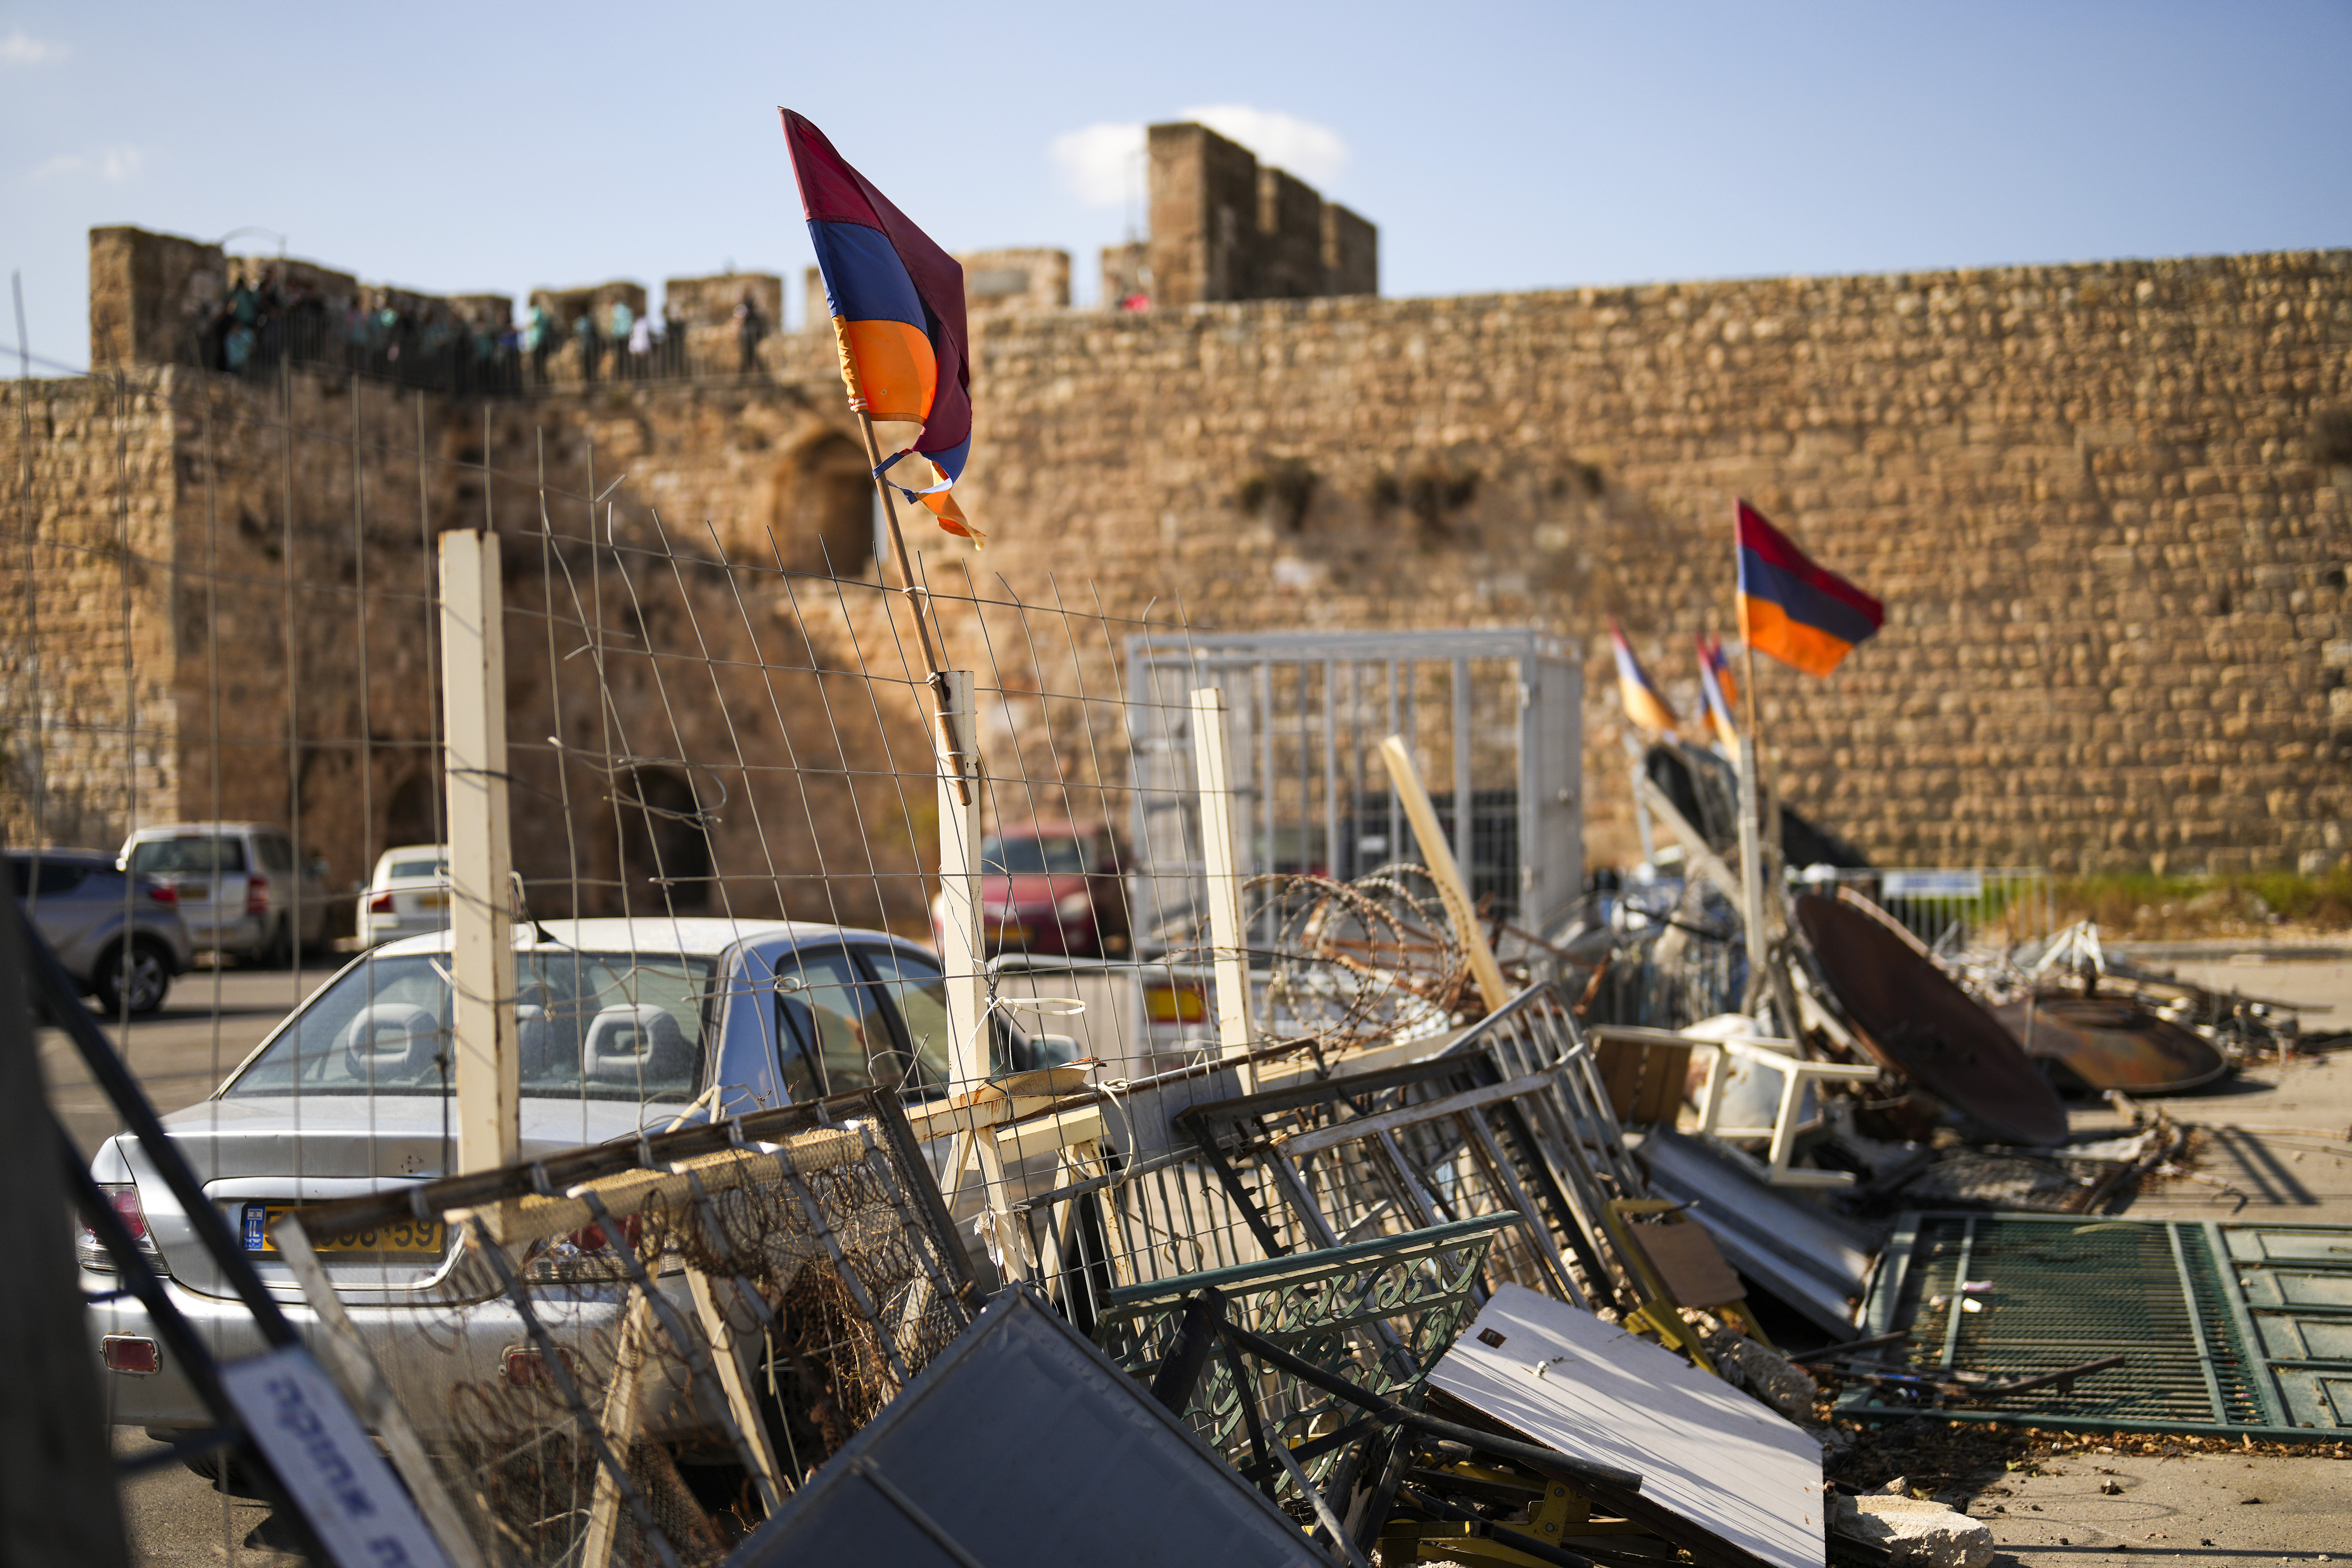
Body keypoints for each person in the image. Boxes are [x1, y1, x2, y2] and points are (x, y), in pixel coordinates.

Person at [733, 289, 766, 375]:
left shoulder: (745, 306)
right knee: (752, 355)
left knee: (749, 355)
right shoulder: (754, 306)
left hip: (749, 336)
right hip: (755, 334)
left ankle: (743, 377)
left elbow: (740, 318)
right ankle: (764, 376)